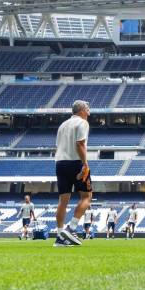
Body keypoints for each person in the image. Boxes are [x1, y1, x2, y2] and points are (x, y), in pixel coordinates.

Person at [53, 100, 93, 247]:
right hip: (75, 162)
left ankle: (60, 236)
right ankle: (71, 228)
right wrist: (85, 164)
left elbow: (58, 145)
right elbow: (80, 143)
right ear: (81, 110)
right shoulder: (83, 123)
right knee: (87, 196)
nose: (89, 111)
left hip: (60, 163)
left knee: (63, 201)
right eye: (87, 108)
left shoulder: (63, 125)